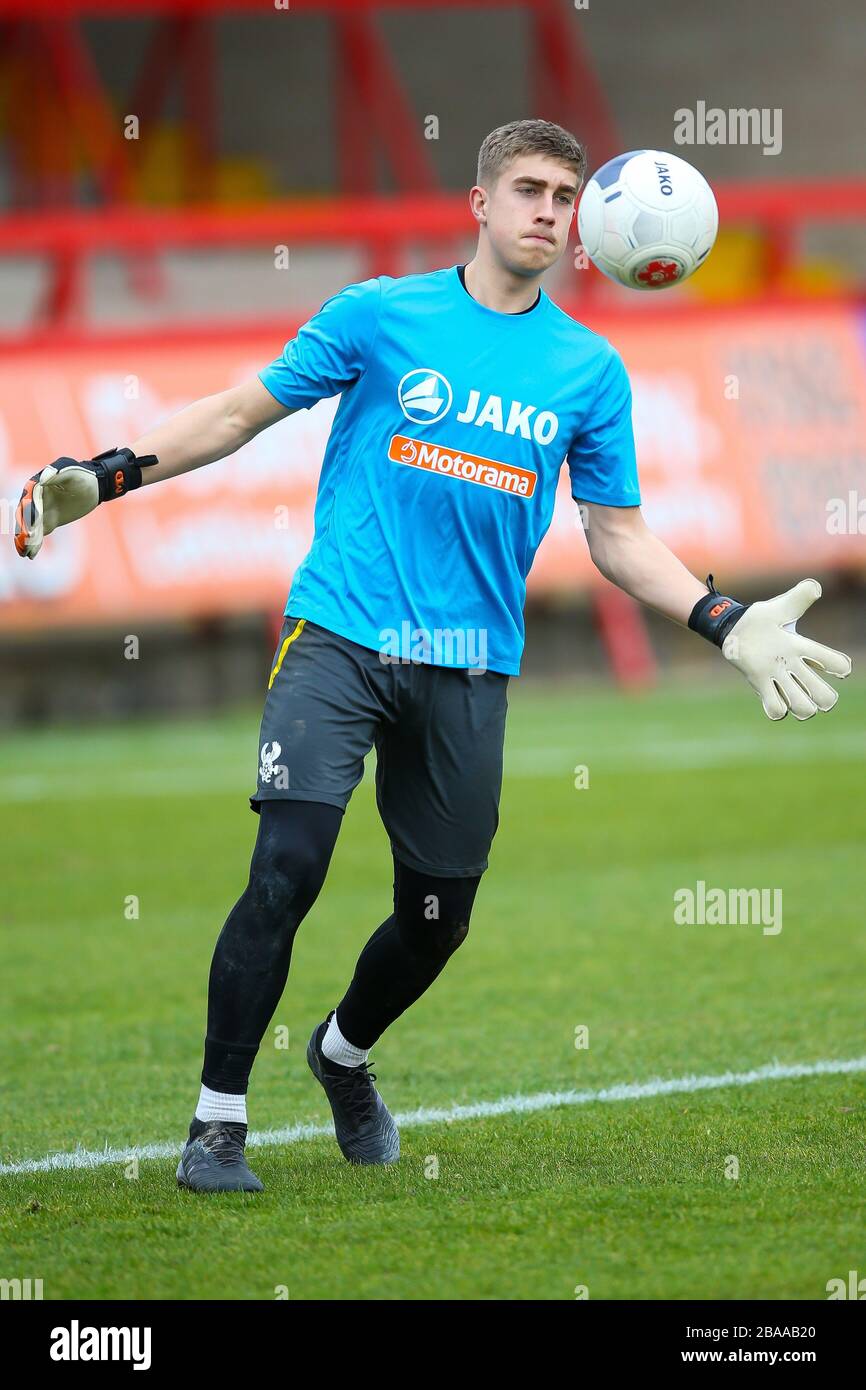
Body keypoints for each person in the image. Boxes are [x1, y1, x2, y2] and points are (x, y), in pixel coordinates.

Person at [14, 119, 851, 1193]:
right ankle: (216, 1123)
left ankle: (340, 1054)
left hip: (466, 666)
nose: (547, 211)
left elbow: (616, 535)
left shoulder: (586, 371)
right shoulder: (378, 315)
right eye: (530, 189)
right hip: (339, 636)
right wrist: (110, 472)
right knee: (287, 869)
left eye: (563, 196)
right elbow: (236, 413)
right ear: (480, 201)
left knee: (434, 920)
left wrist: (721, 620)